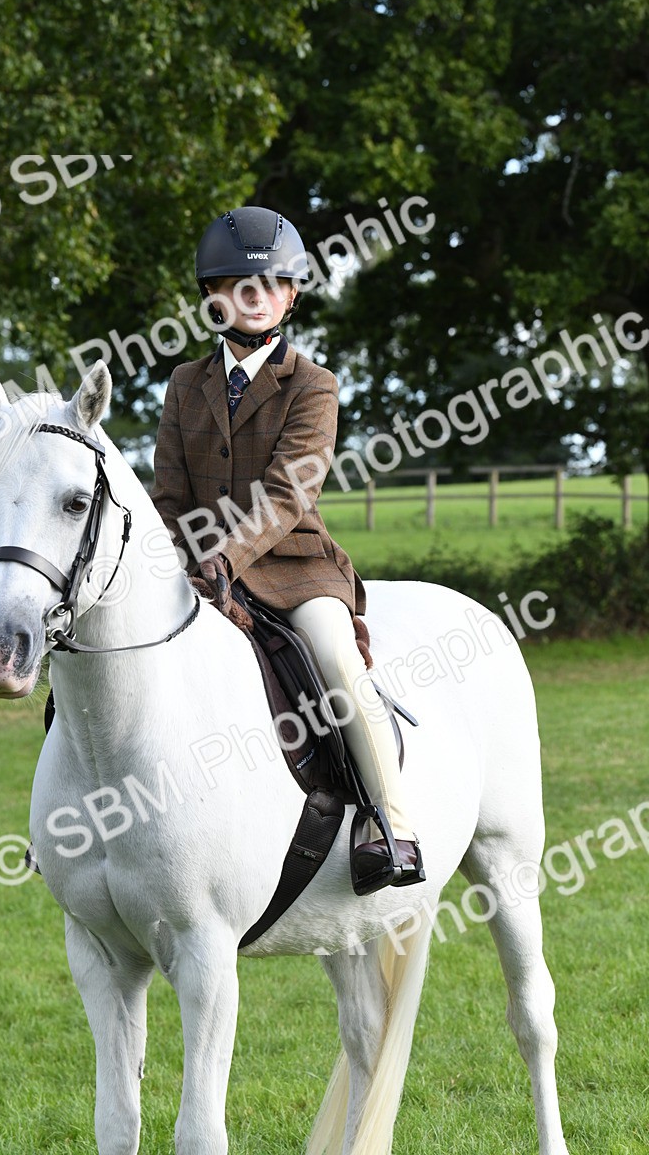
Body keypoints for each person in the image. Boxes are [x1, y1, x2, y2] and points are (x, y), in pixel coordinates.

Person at [150, 206, 424, 893]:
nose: (253, 296)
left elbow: (288, 491)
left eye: (269, 284)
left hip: (295, 568)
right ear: (212, 297)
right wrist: (184, 561)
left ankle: (389, 823)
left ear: (291, 295)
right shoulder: (186, 384)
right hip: (200, 570)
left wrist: (225, 558)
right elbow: (169, 496)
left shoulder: (313, 384)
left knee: (333, 656)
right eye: (236, 285)